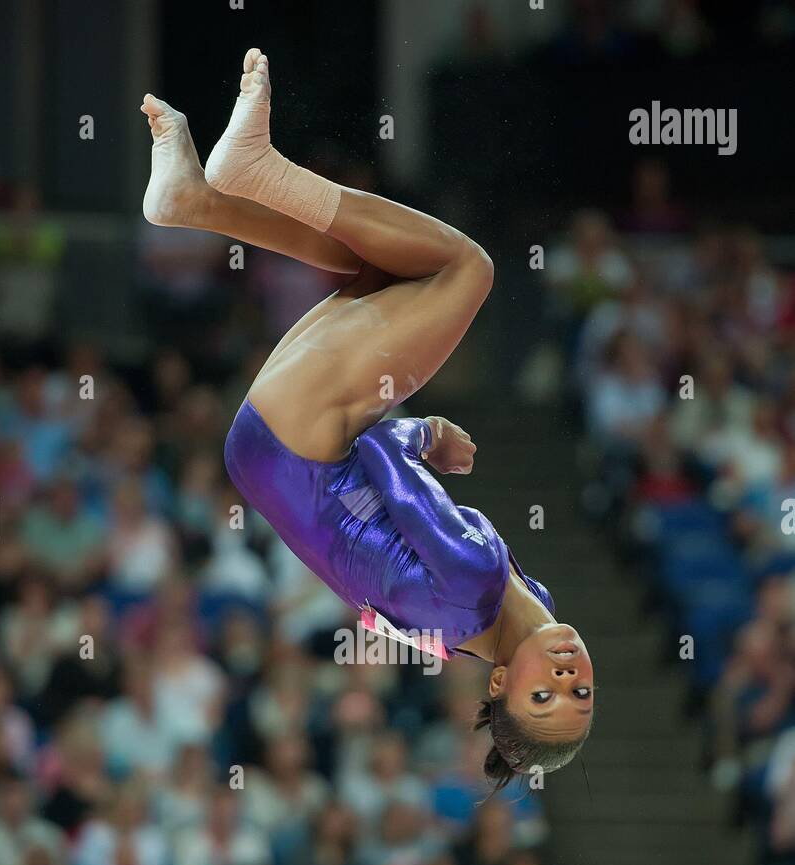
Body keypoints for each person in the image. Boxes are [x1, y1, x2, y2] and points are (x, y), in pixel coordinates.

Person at [139, 48, 594, 791]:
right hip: (282, 456)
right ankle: (196, 203)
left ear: (499, 684)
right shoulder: (514, 610)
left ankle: (257, 172)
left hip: (304, 443)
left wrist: (427, 433)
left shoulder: (475, 586)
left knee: (466, 270)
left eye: (544, 695)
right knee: (385, 267)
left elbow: (385, 450)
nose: (569, 676)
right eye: (580, 693)